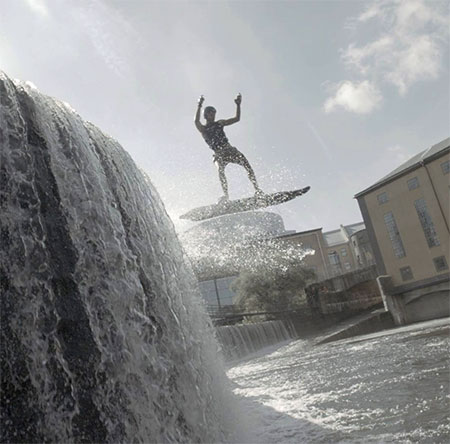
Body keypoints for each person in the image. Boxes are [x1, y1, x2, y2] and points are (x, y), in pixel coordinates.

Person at [195, 93, 263, 203]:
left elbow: (237, 119)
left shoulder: (220, 123)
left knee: (247, 165)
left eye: (214, 113)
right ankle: (226, 196)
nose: (214, 115)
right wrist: (199, 105)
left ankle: (257, 190)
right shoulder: (203, 128)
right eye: (211, 113)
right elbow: (196, 121)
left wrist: (238, 105)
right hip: (218, 154)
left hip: (229, 150)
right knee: (220, 171)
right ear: (206, 115)